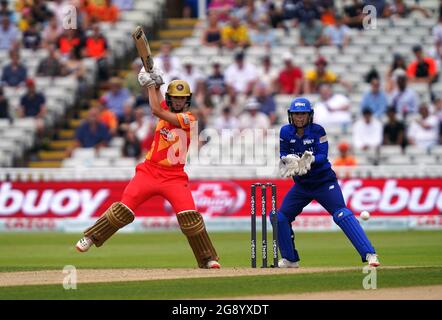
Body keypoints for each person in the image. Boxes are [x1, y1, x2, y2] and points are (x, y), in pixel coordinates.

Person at [75, 66, 221, 270]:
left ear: (187, 100)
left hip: (174, 177)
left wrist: (152, 84)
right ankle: (91, 237)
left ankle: (207, 259)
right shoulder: (165, 108)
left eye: (182, 98)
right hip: (149, 172)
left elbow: (155, 109)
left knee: (190, 217)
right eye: (175, 98)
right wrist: (156, 84)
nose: (179, 101)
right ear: (170, 98)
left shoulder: (190, 119)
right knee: (122, 211)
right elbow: (158, 103)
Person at [277, 97, 380, 268]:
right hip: (302, 186)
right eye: (296, 114)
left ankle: (369, 254)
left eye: (303, 114)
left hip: (324, 183)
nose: (299, 117)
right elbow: (283, 153)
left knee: (342, 214)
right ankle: (290, 259)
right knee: (280, 217)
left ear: (309, 115)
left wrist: (308, 161)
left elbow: (322, 155)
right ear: (291, 115)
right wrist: (288, 161)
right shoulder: (285, 132)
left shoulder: (318, 130)